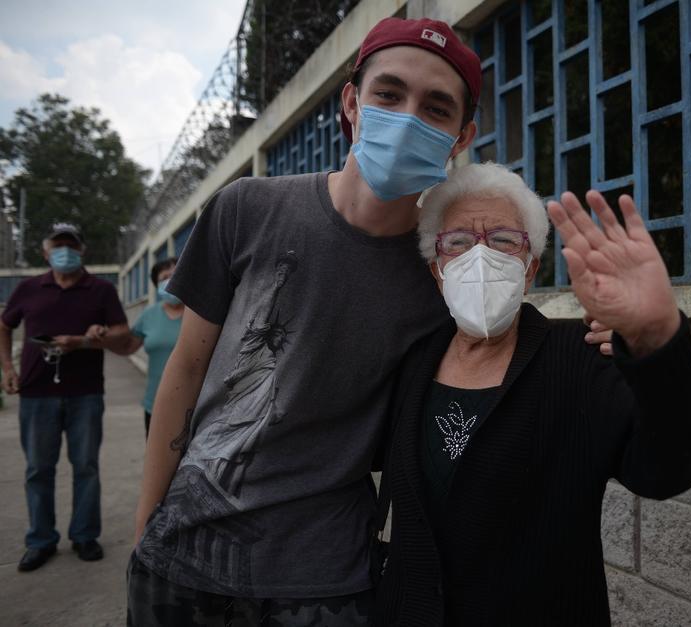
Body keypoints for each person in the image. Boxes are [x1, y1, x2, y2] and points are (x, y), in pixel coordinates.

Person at [126, 17, 482, 625]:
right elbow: (185, 372)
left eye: (436, 108)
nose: (407, 118)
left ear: (460, 137)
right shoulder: (247, 209)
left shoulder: (442, 281)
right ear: (351, 101)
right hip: (181, 556)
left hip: (324, 584)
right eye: (389, 95)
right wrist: (146, 534)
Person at [371, 163, 691, 626]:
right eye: (457, 242)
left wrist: (656, 339)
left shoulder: (580, 358)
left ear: (529, 267)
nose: (479, 256)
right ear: (437, 271)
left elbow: (670, 469)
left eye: (502, 240)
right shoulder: (410, 365)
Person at [0, 223, 129, 572]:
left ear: (82, 251)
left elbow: (121, 333)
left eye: (71, 245)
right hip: (35, 393)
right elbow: (5, 324)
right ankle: (40, 540)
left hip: (85, 393)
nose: (64, 251)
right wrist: (8, 370)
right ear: (45, 252)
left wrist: (91, 337)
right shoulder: (28, 288)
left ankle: (85, 535)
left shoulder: (101, 290)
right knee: (38, 469)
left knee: (85, 467)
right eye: (57, 246)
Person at [91, 257, 182, 437]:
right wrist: (103, 335)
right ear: (156, 285)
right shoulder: (149, 315)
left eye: (176, 274)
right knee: (160, 463)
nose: (171, 280)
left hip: (199, 405)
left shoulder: (203, 314)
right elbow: (127, 347)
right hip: (157, 404)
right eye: (164, 277)